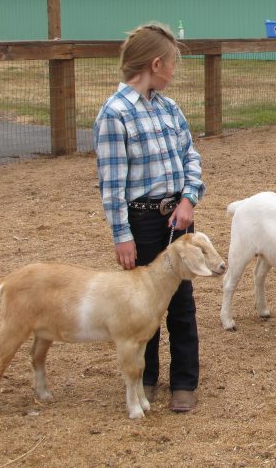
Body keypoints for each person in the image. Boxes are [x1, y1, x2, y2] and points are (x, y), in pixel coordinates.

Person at [93, 22, 206, 411]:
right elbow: (112, 183)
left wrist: (189, 199)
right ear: (156, 63)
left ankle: (184, 382)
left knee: (181, 299)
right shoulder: (115, 113)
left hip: (177, 217)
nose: (175, 70)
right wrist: (121, 234)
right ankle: (146, 377)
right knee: (142, 302)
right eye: (173, 63)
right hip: (141, 221)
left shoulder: (168, 107)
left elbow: (190, 155)